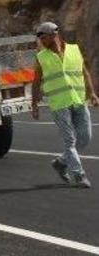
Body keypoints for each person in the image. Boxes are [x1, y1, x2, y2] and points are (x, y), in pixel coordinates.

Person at [31, 21, 98, 189]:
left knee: (85, 137)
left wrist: (93, 93)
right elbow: (36, 81)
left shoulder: (74, 49)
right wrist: (34, 103)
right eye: (39, 38)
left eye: (43, 37)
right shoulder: (41, 57)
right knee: (70, 141)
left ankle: (61, 162)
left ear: (54, 34)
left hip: (78, 99)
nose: (40, 41)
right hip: (59, 104)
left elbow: (84, 72)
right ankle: (78, 175)